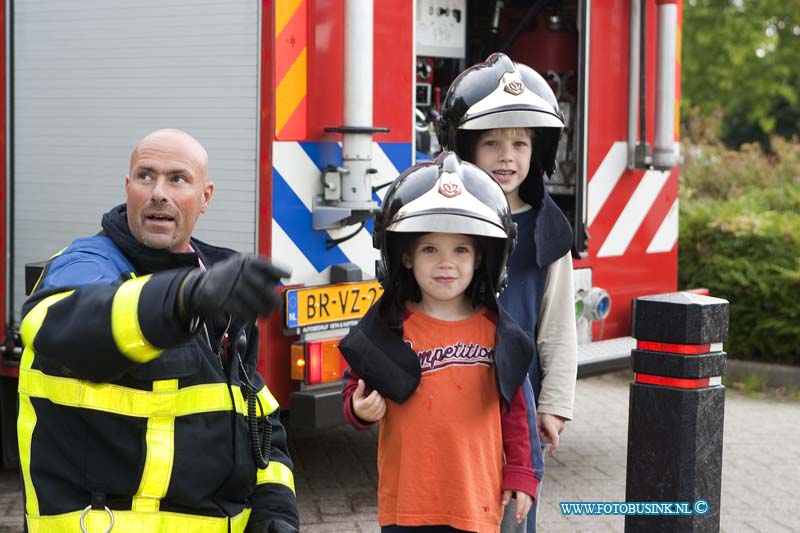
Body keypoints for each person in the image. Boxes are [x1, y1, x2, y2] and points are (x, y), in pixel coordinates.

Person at [17, 128, 299, 533]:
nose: (158, 193)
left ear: (206, 197)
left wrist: (275, 509)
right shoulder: (86, 263)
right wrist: (182, 299)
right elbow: (61, 324)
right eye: (145, 176)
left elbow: (260, 417)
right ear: (127, 187)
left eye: (178, 179)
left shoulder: (214, 285)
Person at [338, 151, 541, 533]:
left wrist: (520, 475)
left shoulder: (498, 333)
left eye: (460, 249)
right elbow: (354, 389)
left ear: (481, 258)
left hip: (475, 504)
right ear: (407, 258)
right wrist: (360, 409)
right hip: (407, 508)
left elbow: (515, 413)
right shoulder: (387, 330)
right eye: (430, 249)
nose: (445, 263)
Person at [437, 53, 578, 532]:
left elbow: (558, 327)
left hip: (515, 419)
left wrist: (554, 405)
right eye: (492, 142)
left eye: (519, 143)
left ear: (536, 151)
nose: (507, 156)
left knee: (510, 519)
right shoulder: (439, 221)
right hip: (445, 408)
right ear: (465, 147)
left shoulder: (547, 231)